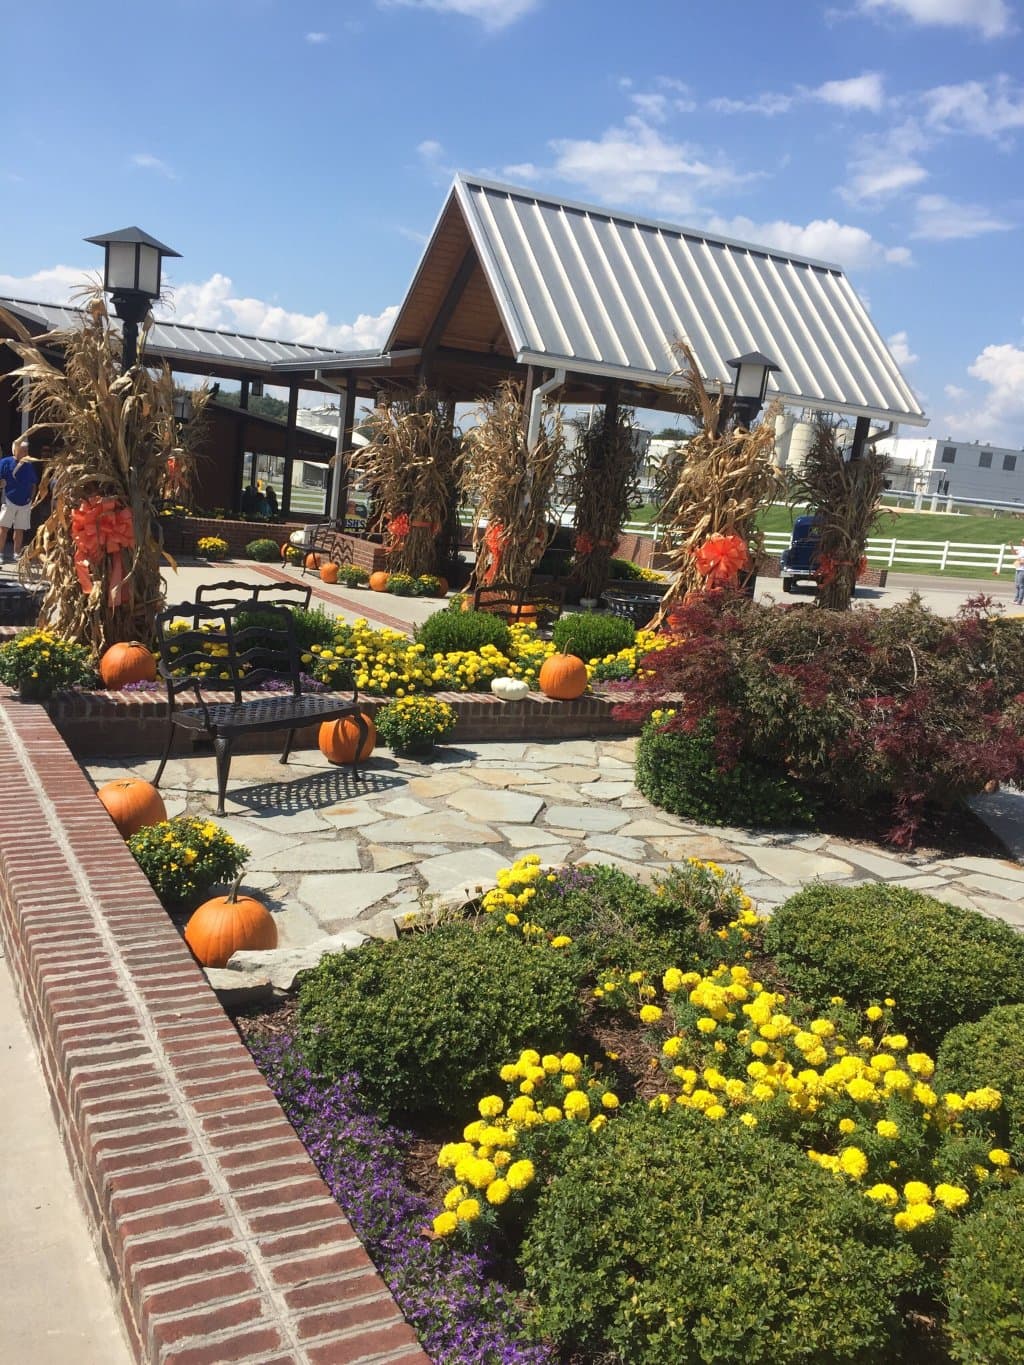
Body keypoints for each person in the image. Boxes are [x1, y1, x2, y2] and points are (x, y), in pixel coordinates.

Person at [0, 437, 40, 564]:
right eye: (24, 450)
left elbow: (34, 483)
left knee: (19, 530)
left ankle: (16, 554)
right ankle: (0, 553)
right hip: (8, 500)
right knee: (3, 528)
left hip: (25, 502)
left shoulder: (29, 465)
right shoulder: (5, 462)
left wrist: (32, 498)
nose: (26, 452)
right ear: (15, 450)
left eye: (27, 450)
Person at [1012, 539, 1024, 606]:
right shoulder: (1021, 549)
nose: (1021, 543)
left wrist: (1020, 561)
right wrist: (1011, 546)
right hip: (1018, 569)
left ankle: (1019, 601)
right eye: (1022, 542)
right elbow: (1013, 553)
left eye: (1023, 542)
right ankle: (1016, 599)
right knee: (1017, 585)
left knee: (1021, 586)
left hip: (1023, 570)